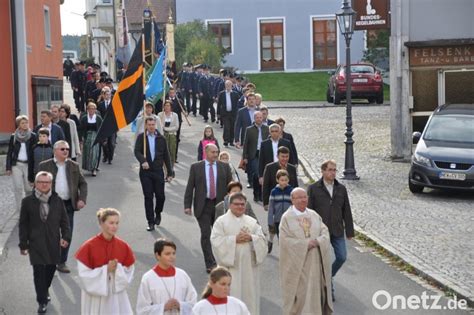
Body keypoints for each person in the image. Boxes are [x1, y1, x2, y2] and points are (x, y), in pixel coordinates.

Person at [19, 171, 71, 314]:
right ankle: (42, 300)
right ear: (35, 184)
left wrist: (65, 237)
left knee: (50, 268)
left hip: (53, 242)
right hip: (35, 243)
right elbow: (23, 224)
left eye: (47, 182)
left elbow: (65, 222)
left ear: (51, 184)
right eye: (41, 182)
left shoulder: (57, 200)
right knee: (39, 271)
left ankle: (44, 289)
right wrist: (23, 244)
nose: (44, 184)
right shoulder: (27, 202)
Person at [210, 192, 267, 314]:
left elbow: (262, 240)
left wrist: (252, 238)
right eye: (237, 204)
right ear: (230, 205)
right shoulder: (221, 222)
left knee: (249, 298)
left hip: (249, 269)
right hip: (230, 269)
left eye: (242, 204)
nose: (240, 207)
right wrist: (234, 239)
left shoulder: (251, 222)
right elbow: (216, 241)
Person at [279, 188, 333, 315]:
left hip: (315, 263)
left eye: (305, 197)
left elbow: (325, 233)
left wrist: (318, 241)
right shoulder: (287, 218)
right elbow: (285, 241)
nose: (303, 200)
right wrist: (305, 244)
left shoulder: (314, 215)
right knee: (301, 294)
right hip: (298, 265)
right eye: (299, 197)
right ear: (292, 200)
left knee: (316, 293)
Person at [307, 160, 354, 301]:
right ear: (323, 171)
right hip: (321, 232)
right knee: (323, 261)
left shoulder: (341, 188)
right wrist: (310, 232)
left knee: (342, 257)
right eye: (330, 170)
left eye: (334, 170)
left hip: (338, 229)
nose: (333, 173)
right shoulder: (314, 188)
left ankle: (328, 276)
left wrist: (350, 231)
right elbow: (309, 211)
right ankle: (328, 287)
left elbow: (347, 210)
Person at [39, 140, 88, 273]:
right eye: (62, 149)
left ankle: (62, 262)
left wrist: (82, 199)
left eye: (67, 149)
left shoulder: (74, 165)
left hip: (68, 205)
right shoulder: (45, 165)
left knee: (67, 234)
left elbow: (83, 184)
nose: (65, 151)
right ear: (55, 151)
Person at [75, 208, 135, 315]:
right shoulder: (89, 246)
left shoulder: (123, 246)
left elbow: (129, 270)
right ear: (101, 223)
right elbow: (83, 275)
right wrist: (106, 270)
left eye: (117, 223)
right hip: (97, 296)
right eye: (111, 223)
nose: (115, 226)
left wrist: (118, 270)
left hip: (116, 293)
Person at [184, 144, 233, 273]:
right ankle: (210, 262)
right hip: (203, 205)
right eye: (213, 152)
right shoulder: (196, 167)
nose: (216, 155)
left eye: (217, 152)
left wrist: (234, 202)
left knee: (221, 234)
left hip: (219, 206)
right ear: (206, 152)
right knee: (206, 234)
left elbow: (231, 187)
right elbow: (190, 187)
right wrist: (187, 205)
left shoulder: (224, 167)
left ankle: (223, 260)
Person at [136, 238, 198, 315]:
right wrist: (163, 307)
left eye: (173, 253)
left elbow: (193, 302)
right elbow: (142, 309)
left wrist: (180, 305)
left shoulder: (182, 275)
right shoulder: (148, 278)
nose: (172, 257)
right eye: (167, 254)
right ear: (157, 255)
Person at [134, 117, 174, 231]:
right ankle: (150, 221)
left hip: (158, 171)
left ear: (155, 125)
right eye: (149, 124)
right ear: (146, 125)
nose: (151, 126)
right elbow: (136, 151)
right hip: (146, 172)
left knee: (160, 196)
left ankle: (158, 212)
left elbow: (166, 156)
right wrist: (143, 160)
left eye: (153, 124)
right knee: (148, 196)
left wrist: (170, 172)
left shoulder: (161, 139)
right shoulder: (142, 138)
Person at [6, 115, 37, 211]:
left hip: (28, 165)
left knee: (28, 188)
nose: (25, 124)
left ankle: (29, 208)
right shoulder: (13, 136)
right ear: (18, 125)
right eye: (23, 123)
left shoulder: (33, 136)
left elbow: (35, 152)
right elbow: (10, 152)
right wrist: (8, 167)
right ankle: (20, 209)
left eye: (26, 122)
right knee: (18, 187)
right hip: (17, 165)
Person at [242, 111, 269, 202]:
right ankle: (256, 193)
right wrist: (245, 156)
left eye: (260, 117)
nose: (259, 119)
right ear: (254, 118)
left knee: (263, 174)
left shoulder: (266, 128)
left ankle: (261, 194)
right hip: (254, 154)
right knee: (256, 173)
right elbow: (246, 143)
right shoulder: (249, 129)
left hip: (264, 153)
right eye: (257, 117)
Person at [267, 169, 294, 254]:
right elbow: (271, 207)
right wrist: (270, 221)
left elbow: (294, 205)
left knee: (289, 238)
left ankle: (287, 254)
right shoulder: (274, 192)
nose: (284, 182)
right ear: (277, 180)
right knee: (281, 238)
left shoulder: (291, 191)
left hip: (289, 219)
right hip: (278, 219)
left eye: (286, 180)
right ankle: (272, 244)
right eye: (282, 180)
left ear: (288, 180)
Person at [79, 102, 103, 176]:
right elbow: (81, 129)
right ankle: (87, 167)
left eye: (93, 109)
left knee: (94, 153)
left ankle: (94, 168)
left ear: (95, 110)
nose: (92, 110)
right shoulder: (84, 118)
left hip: (95, 137)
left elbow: (101, 129)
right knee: (87, 153)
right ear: (87, 110)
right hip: (87, 137)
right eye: (90, 109)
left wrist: (102, 139)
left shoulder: (98, 118)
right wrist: (81, 138)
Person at [97, 87, 116, 164]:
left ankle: (110, 158)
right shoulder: (100, 104)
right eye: (106, 95)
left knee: (111, 143)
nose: (108, 96)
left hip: (111, 127)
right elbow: (98, 114)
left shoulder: (114, 104)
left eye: (109, 95)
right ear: (104, 96)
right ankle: (105, 156)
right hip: (103, 126)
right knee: (104, 143)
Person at [217, 80, 239, 147]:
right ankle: (226, 140)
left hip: (233, 113)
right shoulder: (222, 94)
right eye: (227, 85)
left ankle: (231, 141)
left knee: (232, 127)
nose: (228, 86)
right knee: (226, 127)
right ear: (225, 86)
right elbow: (219, 104)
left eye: (229, 85)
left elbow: (237, 104)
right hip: (225, 113)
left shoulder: (235, 94)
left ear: (231, 86)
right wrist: (218, 113)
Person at [158, 100, 179, 166]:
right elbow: (159, 125)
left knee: (171, 152)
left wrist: (166, 129)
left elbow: (176, 127)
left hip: (172, 136)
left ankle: (171, 167)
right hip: (163, 136)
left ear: (171, 107)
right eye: (165, 106)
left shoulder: (175, 115)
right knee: (163, 152)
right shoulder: (160, 114)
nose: (167, 107)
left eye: (168, 106)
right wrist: (163, 128)